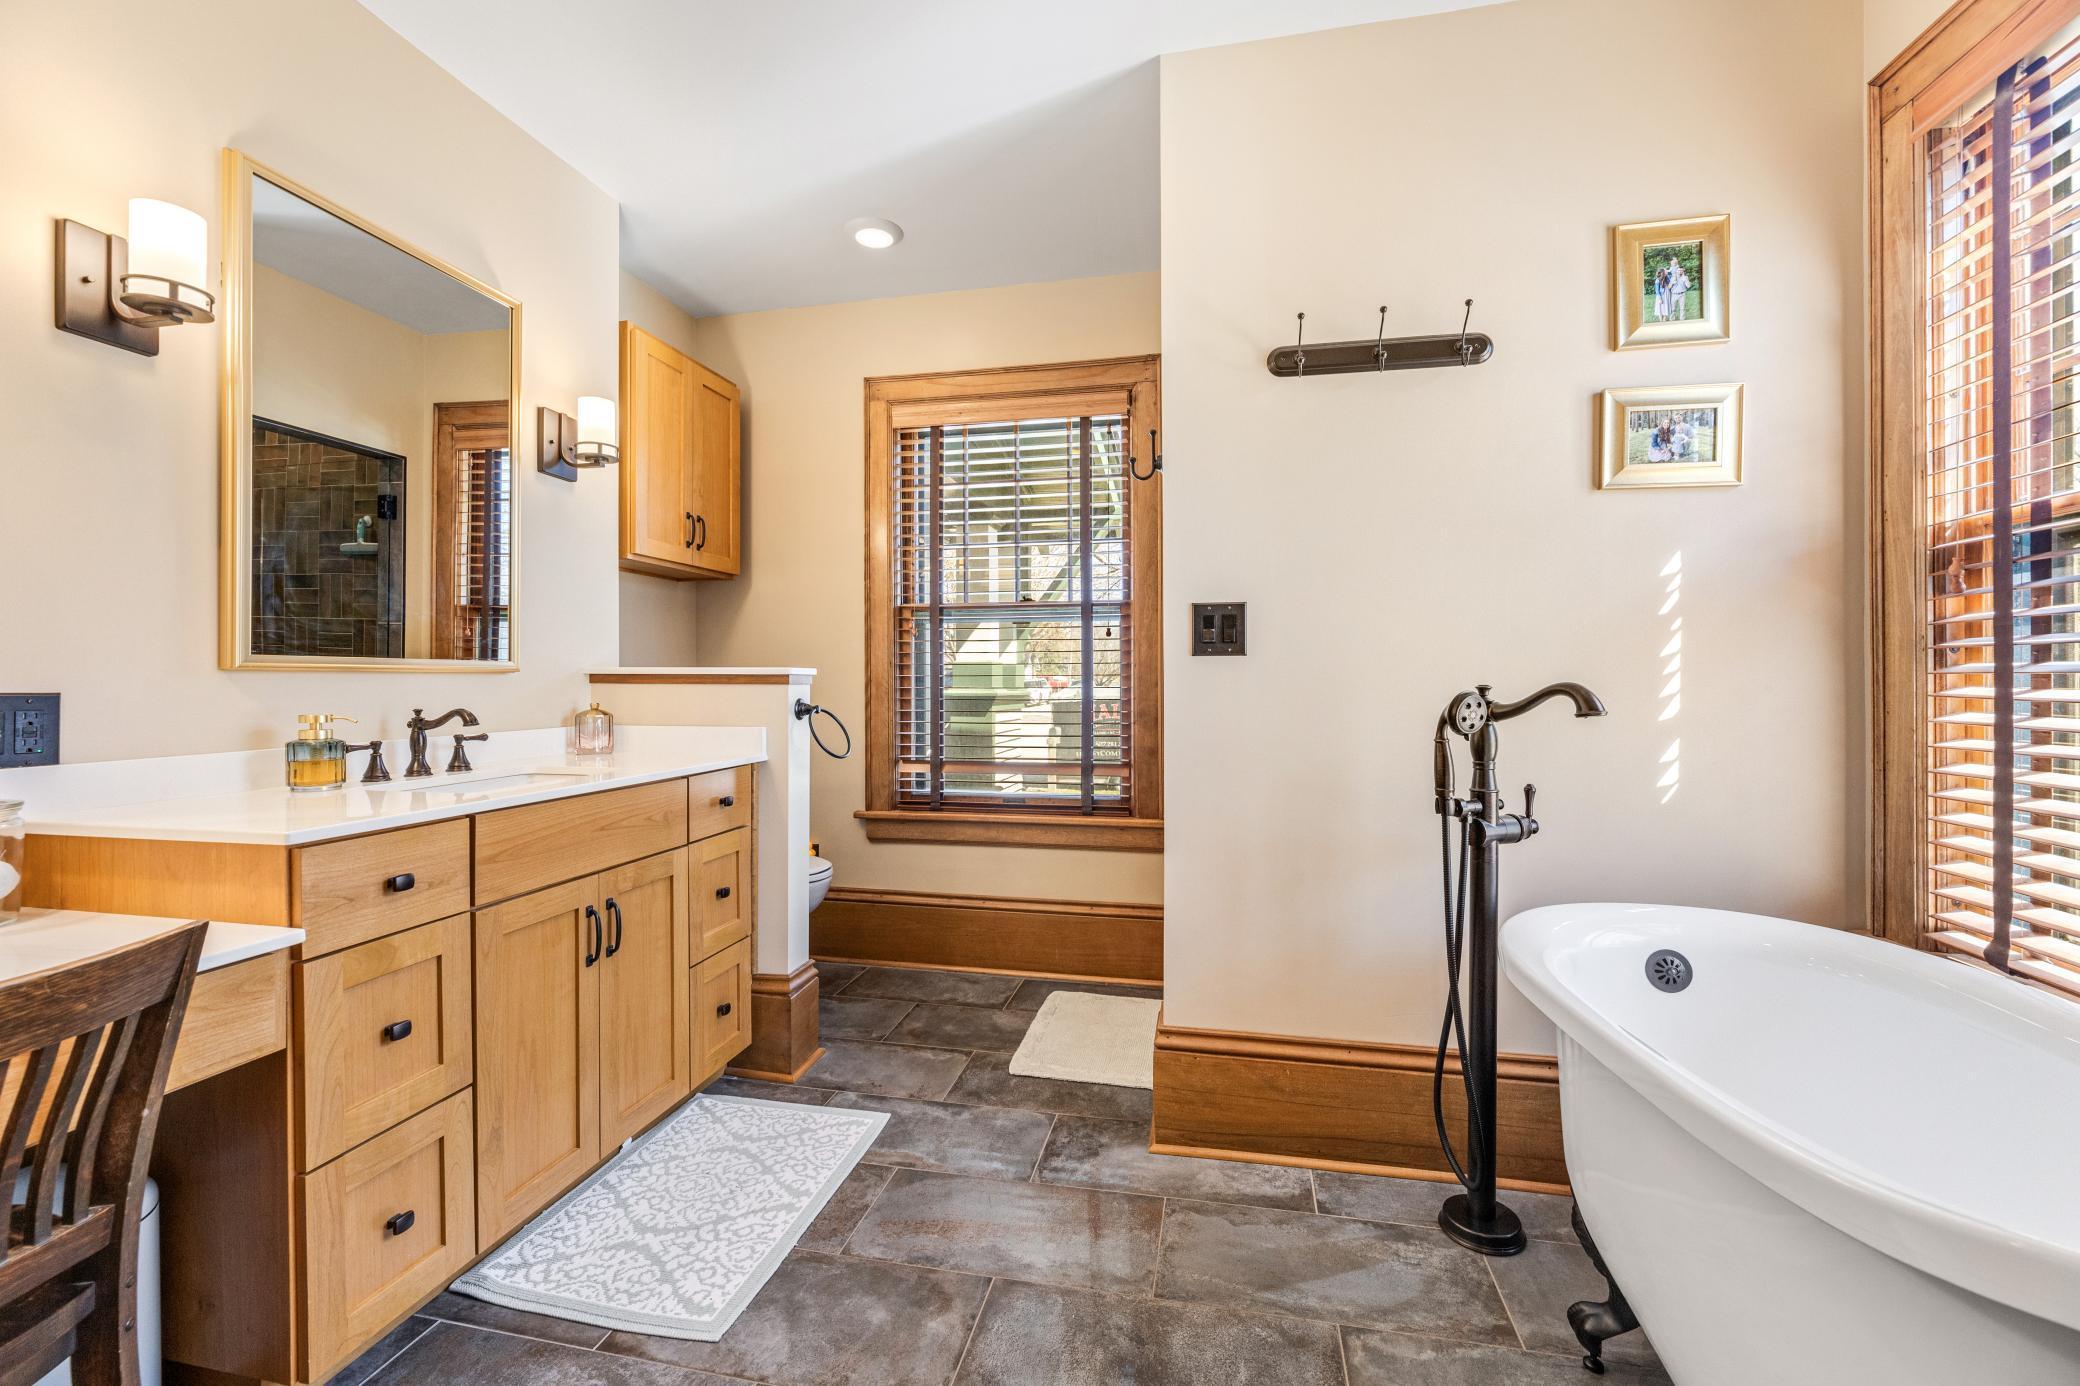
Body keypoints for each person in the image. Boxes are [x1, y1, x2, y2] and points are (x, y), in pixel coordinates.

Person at [1666, 254, 1691, 321]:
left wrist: (1685, 280)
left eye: (1681, 270)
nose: (1679, 271)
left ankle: (1682, 320)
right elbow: (1668, 287)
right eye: (1678, 270)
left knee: (1682, 308)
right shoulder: (1673, 277)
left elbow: (1688, 286)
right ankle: (1672, 320)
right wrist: (1672, 283)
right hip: (1674, 295)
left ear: (1683, 271)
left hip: (1682, 294)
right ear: (1676, 271)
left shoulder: (1685, 277)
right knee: (1673, 309)